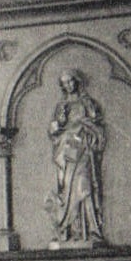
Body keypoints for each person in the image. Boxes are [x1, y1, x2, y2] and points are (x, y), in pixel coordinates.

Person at [44, 69, 106, 243]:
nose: (68, 85)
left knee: (84, 187)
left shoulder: (87, 103)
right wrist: (58, 126)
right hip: (66, 154)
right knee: (67, 189)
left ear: (77, 81)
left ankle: (92, 229)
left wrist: (85, 129)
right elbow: (55, 132)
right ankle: (70, 230)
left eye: (70, 81)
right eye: (64, 83)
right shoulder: (62, 107)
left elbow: (96, 126)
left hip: (83, 151)